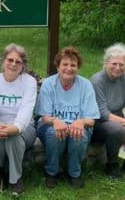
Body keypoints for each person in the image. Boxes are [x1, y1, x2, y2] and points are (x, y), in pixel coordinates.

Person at [36, 47, 100, 189]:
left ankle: (74, 173)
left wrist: (81, 121)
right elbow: (45, 117)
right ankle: (52, 172)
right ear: (58, 66)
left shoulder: (86, 85)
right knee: (55, 133)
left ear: (78, 67)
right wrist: (56, 121)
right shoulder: (48, 84)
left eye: (73, 65)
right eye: (65, 64)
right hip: (51, 126)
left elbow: (92, 120)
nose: (69, 68)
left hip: (79, 126)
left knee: (79, 134)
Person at [0, 44, 37, 196]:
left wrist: (15, 127)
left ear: (23, 65)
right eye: (10, 60)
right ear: (3, 61)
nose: (13, 64)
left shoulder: (29, 82)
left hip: (25, 128)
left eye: (18, 62)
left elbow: (26, 110)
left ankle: (15, 178)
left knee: (13, 136)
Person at [90, 43, 125, 178]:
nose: (118, 68)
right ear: (105, 63)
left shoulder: (123, 79)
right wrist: (123, 121)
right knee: (118, 129)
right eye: (114, 64)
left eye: (121, 65)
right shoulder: (97, 81)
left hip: (117, 118)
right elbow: (103, 113)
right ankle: (112, 164)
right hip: (98, 122)